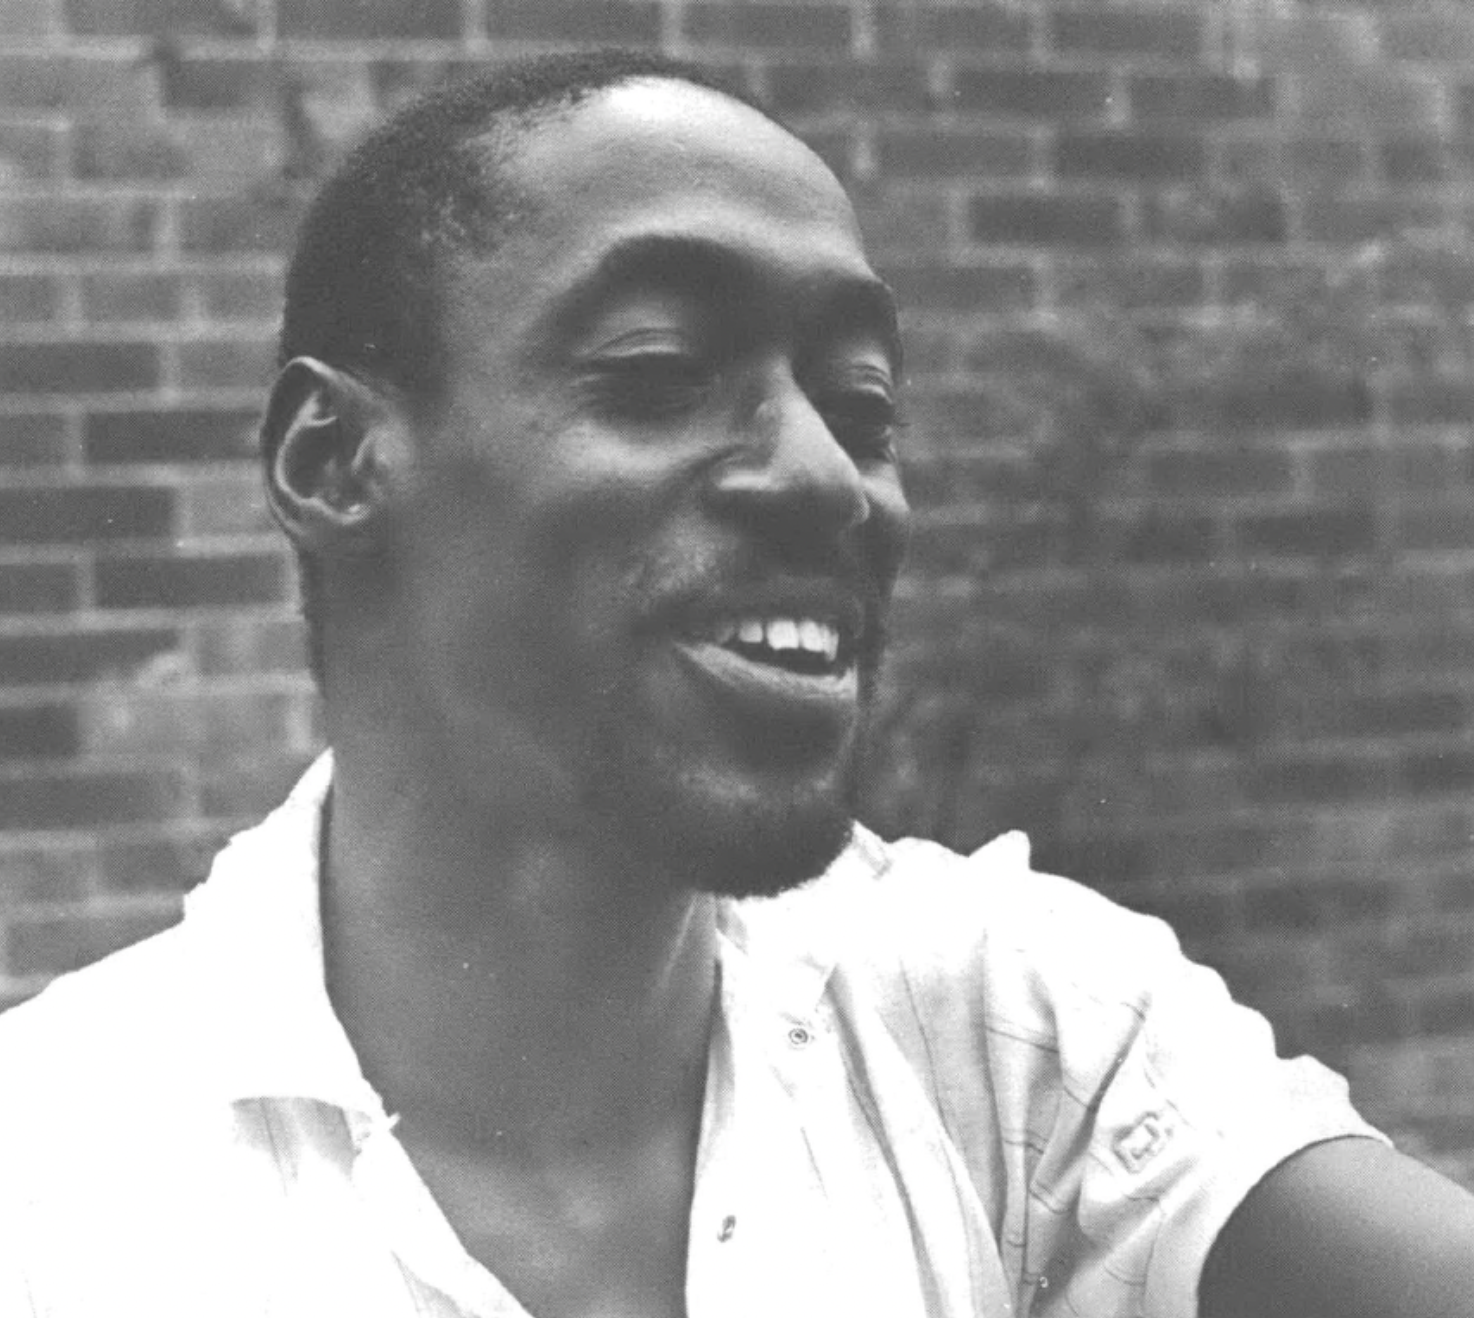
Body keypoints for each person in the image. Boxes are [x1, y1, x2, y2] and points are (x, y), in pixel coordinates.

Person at [0, 48, 1471, 1318]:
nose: (831, 479)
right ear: (333, 460)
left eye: (865, 408)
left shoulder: (996, 1038)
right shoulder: (58, 1184)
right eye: (654, 369)